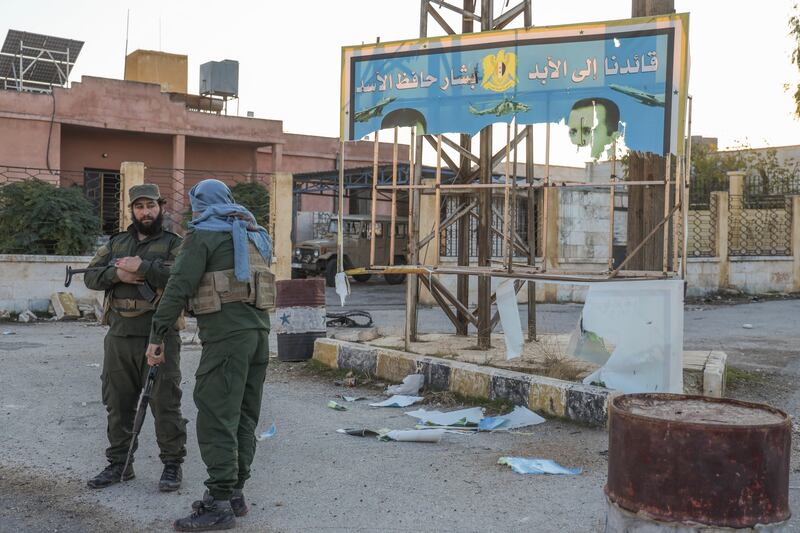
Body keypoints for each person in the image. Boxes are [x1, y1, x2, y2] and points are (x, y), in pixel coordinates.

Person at [146, 179, 273, 532]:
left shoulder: (204, 235)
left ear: (200, 203)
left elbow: (178, 287)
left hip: (227, 338)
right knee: (244, 415)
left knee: (216, 413)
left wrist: (157, 335)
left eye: (195, 204)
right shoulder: (252, 233)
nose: (195, 211)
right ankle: (235, 493)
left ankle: (218, 503)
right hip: (259, 336)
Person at [84, 183, 187, 491]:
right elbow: (91, 275)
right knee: (117, 402)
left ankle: (172, 464)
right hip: (119, 335)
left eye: (151, 206)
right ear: (131, 210)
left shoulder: (174, 244)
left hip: (161, 336)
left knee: (164, 402)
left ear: (162, 207)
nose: (145, 212)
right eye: (139, 207)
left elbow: (182, 278)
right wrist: (118, 274)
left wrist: (143, 268)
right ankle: (120, 464)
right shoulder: (117, 243)